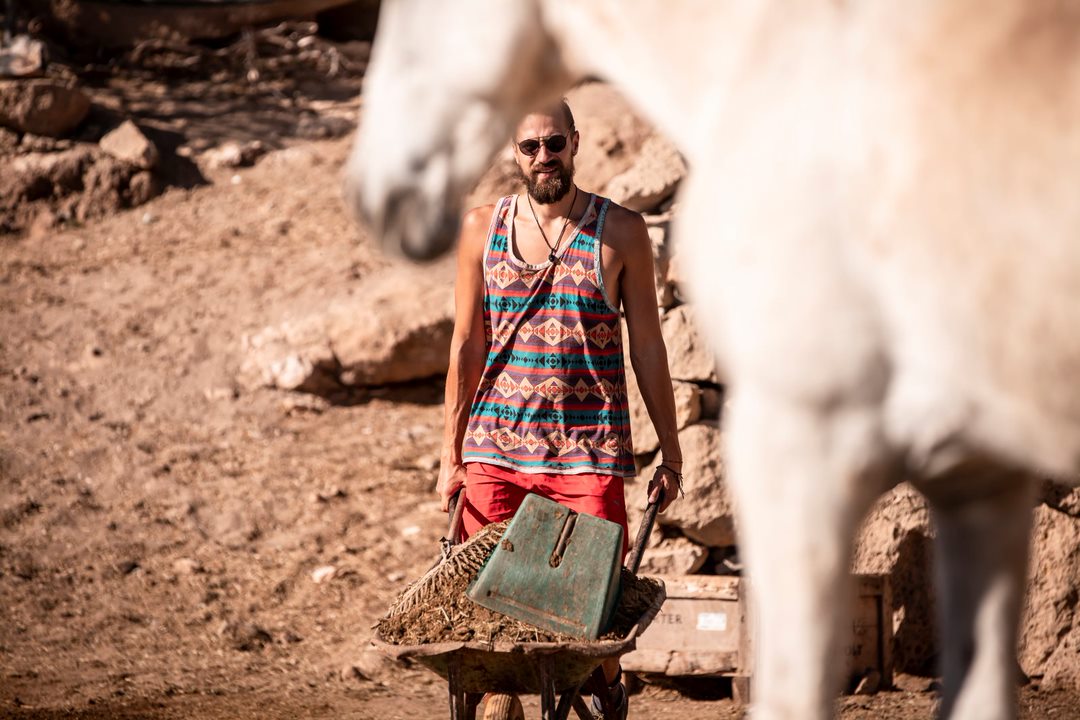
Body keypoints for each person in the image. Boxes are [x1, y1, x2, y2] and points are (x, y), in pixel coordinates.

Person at [438, 99, 683, 719]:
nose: (543, 157)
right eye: (530, 147)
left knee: (591, 620)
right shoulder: (481, 229)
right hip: (495, 449)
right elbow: (466, 346)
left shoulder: (621, 231)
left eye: (554, 143)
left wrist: (673, 452)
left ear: (575, 142)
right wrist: (449, 456)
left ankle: (605, 691)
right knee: (485, 619)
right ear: (513, 153)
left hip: (588, 453)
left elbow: (647, 347)